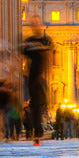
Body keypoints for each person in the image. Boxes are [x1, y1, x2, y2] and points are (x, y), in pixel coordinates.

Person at [22, 15, 53, 145]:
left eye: (36, 23)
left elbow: (49, 53)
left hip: (43, 76)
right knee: (35, 105)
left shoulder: (46, 40)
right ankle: (37, 132)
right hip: (31, 76)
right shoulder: (28, 40)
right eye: (32, 23)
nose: (35, 25)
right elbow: (21, 55)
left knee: (40, 104)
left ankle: (38, 131)